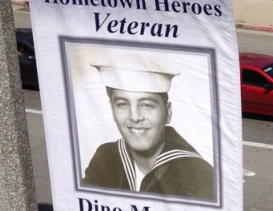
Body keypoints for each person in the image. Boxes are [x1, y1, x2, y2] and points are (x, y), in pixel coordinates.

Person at [82, 54, 214, 199]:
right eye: (122, 104)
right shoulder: (106, 158)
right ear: (112, 110)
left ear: (168, 112)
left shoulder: (198, 175)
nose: (135, 117)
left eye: (146, 105)